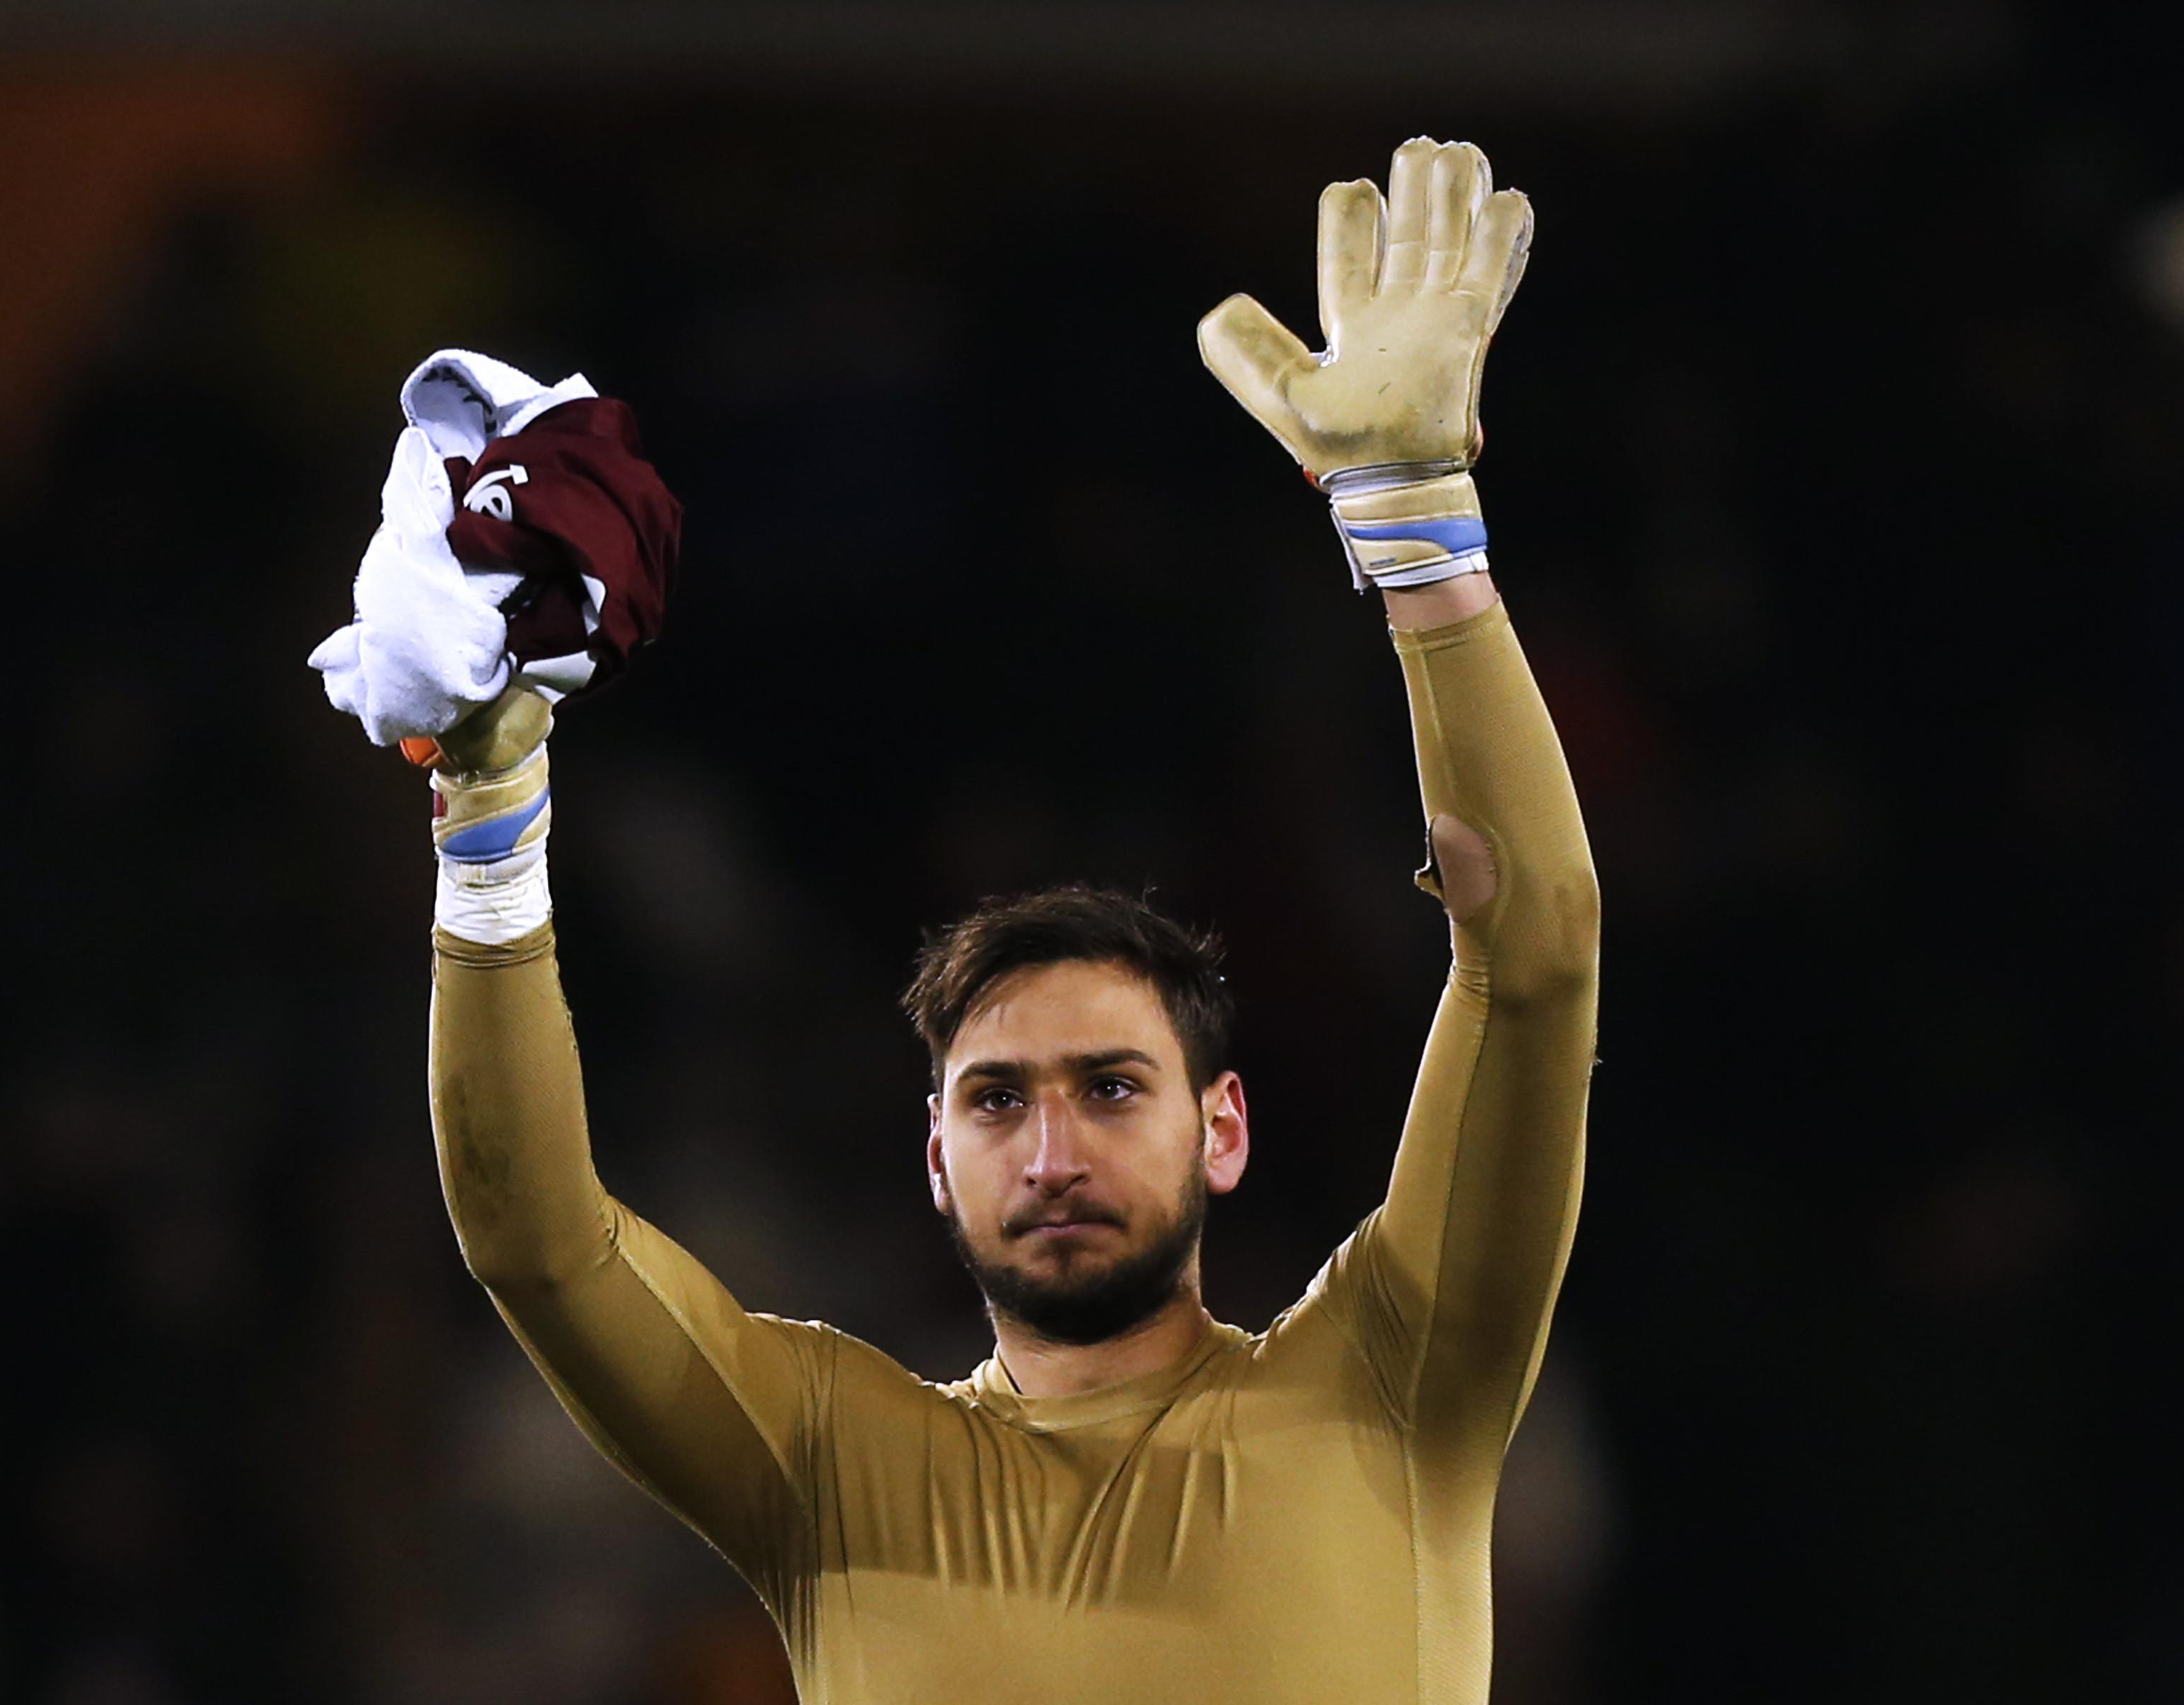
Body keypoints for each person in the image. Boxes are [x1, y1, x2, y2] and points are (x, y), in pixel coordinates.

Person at [408, 137, 1597, 1703]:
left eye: (1112, 1086)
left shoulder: (1395, 1379)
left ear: (1221, 1129)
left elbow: (1538, 955)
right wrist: (487, 834)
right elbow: (536, 1243)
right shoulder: (827, 1463)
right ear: (936, 1159)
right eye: (998, 1100)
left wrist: (1423, 536)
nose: (1052, 1150)